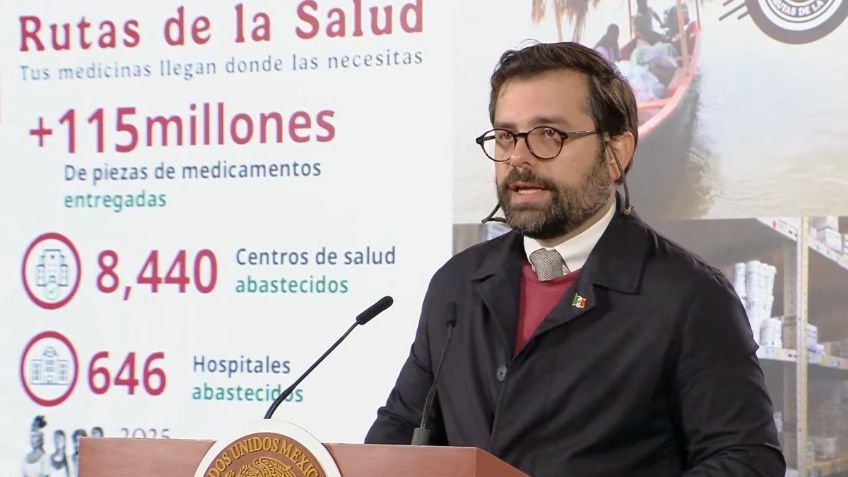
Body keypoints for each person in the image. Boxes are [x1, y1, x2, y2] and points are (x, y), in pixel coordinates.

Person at [365, 42, 785, 476]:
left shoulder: (690, 297)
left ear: (616, 154)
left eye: (549, 134)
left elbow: (746, 462)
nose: (518, 158)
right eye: (506, 136)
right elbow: (400, 429)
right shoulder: (457, 285)